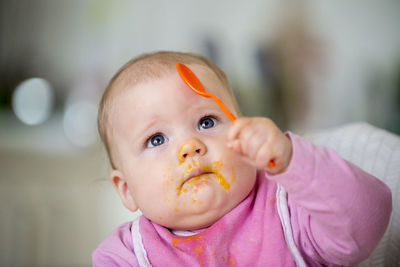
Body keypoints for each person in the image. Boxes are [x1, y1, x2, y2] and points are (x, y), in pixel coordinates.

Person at [92, 51, 392, 266]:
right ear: (126, 189)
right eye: (156, 139)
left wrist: (291, 160)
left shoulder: (289, 211)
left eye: (206, 122)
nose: (190, 146)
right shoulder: (126, 256)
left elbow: (367, 223)